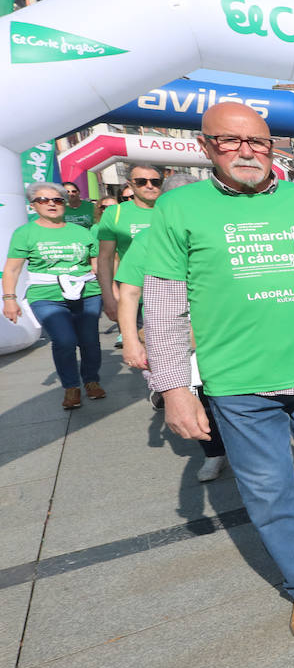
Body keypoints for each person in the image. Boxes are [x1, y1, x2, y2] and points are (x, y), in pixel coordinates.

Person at [140, 101, 294, 641]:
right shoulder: (179, 210)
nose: (247, 151)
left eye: (259, 142)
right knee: (267, 492)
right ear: (206, 147)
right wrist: (174, 389)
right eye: (231, 141)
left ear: (273, 147)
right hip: (239, 384)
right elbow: (164, 306)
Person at [115, 172, 228, 480]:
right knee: (202, 396)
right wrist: (130, 340)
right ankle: (215, 453)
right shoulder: (149, 239)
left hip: (229, 330)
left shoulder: (223, 230)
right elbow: (129, 293)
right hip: (183, 333)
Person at [3, 183, 104, 409]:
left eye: (57, 200)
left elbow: (96, 264)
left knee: (89, 341)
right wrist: (9, 299)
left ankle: (91, 381)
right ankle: (71, 387)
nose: (52, 203)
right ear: (33, 206)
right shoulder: (25, 233)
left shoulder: (81, 232)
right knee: (64, 340)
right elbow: (11, 269)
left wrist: (108, 290)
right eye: (44, 200)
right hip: (46, 295)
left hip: (87, 293)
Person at [96, 163, 163, 322]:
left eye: (155, 182)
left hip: (171, 293)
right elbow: (106, 258)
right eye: (141, 181)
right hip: (134, 295)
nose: (149, 186)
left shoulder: (171, 209)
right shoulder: (115, 213)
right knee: (139, 344)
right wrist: (109, 296)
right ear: (130, 184)